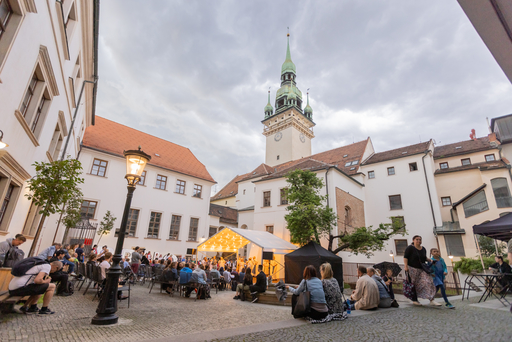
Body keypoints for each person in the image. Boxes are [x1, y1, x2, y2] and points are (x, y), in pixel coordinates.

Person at [403, 235, 439, 306]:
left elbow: (424, 257)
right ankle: (415, 300)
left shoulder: (423, 249)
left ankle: (431, 299)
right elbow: (405, 257)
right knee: (413, 285)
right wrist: (405, 266)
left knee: (428, 281)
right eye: (417, 239)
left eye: (420, 239)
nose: (419, 241)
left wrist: (430, 260)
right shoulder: (410, 248)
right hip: (412, 269)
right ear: (413, 240)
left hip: (421, 269)